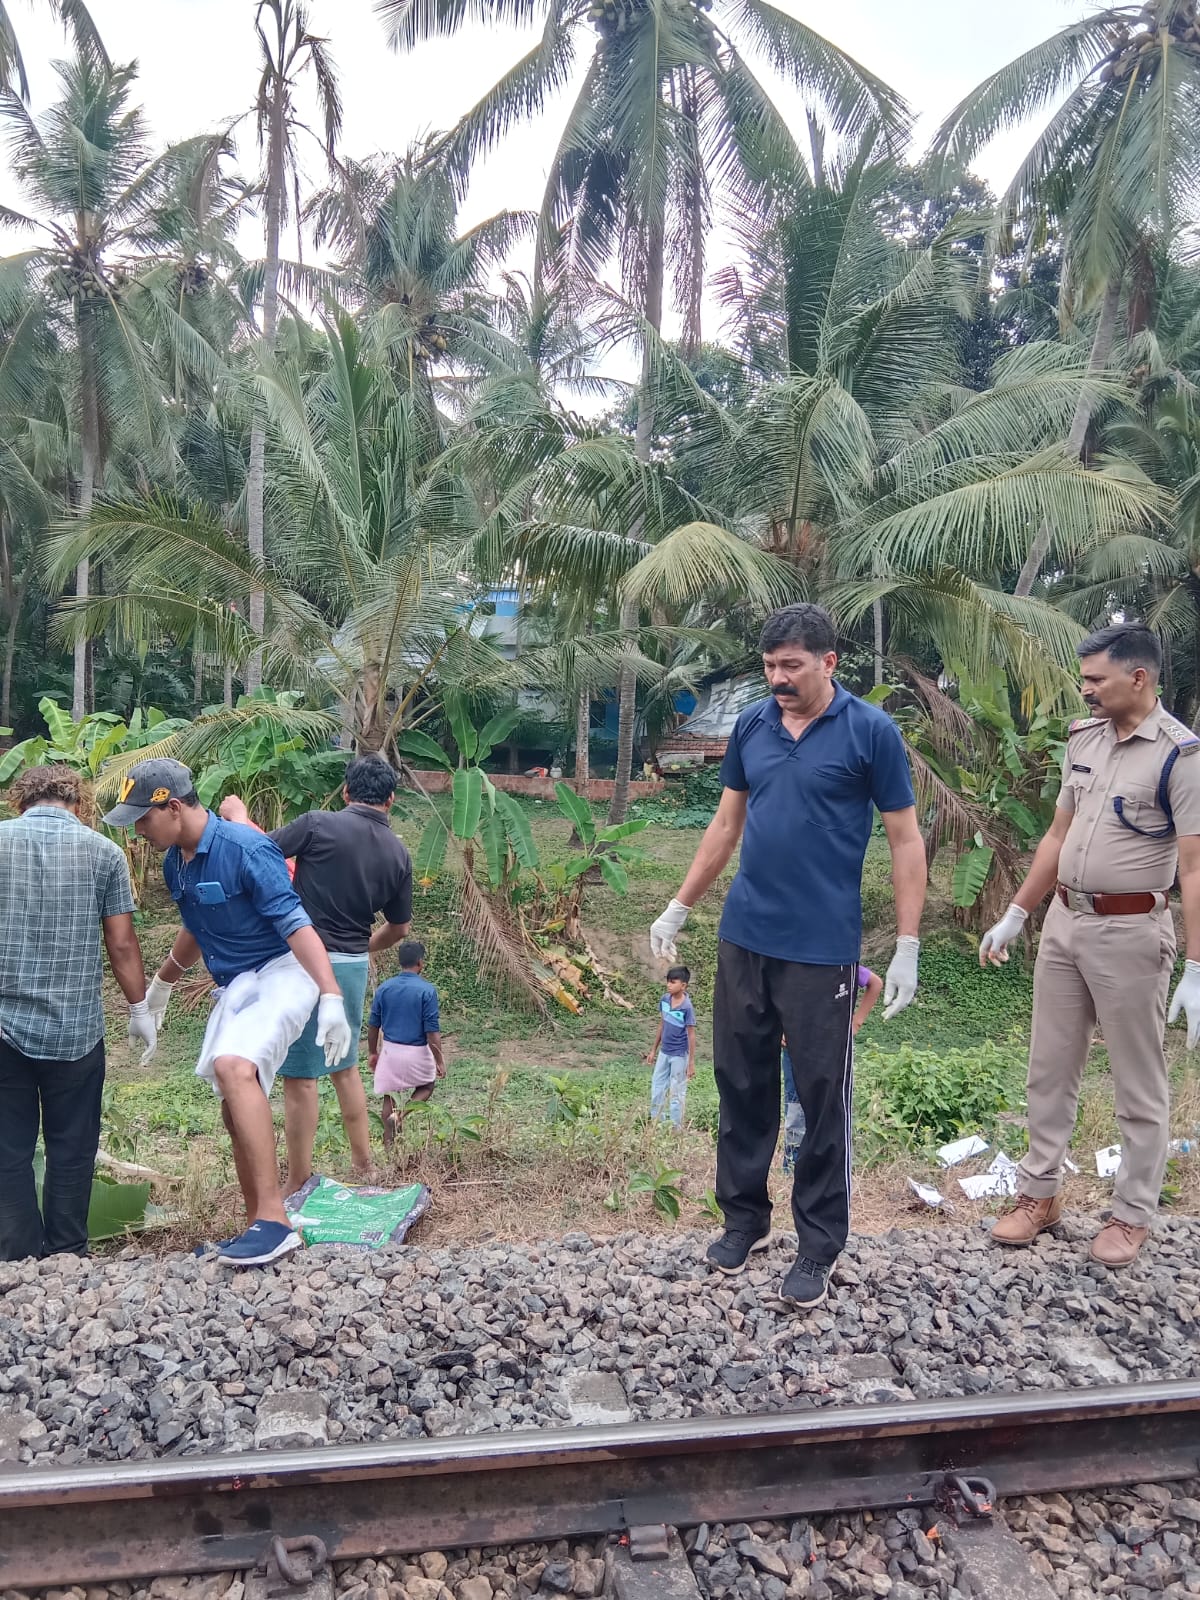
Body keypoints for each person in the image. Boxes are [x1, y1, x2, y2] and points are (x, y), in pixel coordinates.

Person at [649, 603, 925, 1309]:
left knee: (818, 1097)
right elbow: (726, 822)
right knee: (740, 1083)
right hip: (745, 936)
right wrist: (681, 903)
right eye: (770, 665)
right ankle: (745, 1221)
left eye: (791, 665)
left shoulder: (871, 732)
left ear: (829, 663)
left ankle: (818, 1244)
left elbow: (903, 839)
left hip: (822, 949)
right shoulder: (753, 725)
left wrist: (907, 944)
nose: (778, 678)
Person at [979, 622, 1200, 1268]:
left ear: (1139, 679)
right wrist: (1019, 912)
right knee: (1049, 1067)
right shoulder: (1086, 740)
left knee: (1138, 1082)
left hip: (1132, 931)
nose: (1086, 692)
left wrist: (1196, 964)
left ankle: (1132, 1213)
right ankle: (1039, 1194)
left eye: (1097, 680)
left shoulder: (1179, 757)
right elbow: (1056, 836)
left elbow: (1193, 868)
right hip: (1065, 924)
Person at [103, 757, 352, 1267]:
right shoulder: (178, 861)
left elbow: (296, 925)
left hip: (284, 971)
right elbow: (195, 928)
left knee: (234, 1067)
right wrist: (157, 993)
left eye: (143, 820)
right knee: (233, 1097)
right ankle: (258, 1221)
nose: (138, 832)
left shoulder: (247, 848)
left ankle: (275, 1222)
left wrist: (330, 995)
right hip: (238, 985)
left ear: (173, 808)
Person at [219, 755, 413, 1193]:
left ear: (346, 792)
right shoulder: (398, 852)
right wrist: (363, 945)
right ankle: (365, 1166)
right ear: (391, 800)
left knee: (301, 1075)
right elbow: (399, 928)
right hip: (353, 964)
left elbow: (258, 853)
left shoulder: (317, 824)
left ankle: (297, 1180)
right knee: (345, 1067)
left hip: (304, 964)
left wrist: (241, 817)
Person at [0, 765, 155, 1261]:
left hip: (4, 1028)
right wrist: (139, 1008)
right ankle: (68, 1254)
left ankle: (17, 1257)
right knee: (72, 1149)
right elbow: (122, 942)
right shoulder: (104, 852)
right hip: (76, 1032)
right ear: (80, 804)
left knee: (8, 1150)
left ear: (18, 801)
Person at [781, 964, 882, 1174]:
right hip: (795, 1047)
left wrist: (857, 1022)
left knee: (831, 1103)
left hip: (832, 1046)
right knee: (795, 1106)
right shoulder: (790, 963)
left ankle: (828, 1167)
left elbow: (875, 983)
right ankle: (792, 1167)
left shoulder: (842, 964)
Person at [367, 941, 444, 1145]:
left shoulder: (385, 988)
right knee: (427, 1086)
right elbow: (432, 1031)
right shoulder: (427, 990)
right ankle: (400, 1116)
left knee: (389, 1096)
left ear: (400, 962)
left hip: (390, 1052)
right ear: (420, 963)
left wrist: (372, 1052)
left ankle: (388, 1147)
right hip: (417, 1051)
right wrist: (439, 1060)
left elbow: (373, 1025)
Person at [644, 965, 697, 1128]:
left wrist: (691, 1062)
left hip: (679, 1055)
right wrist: (653, 1050)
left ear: (683, 985)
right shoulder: (665, 1000)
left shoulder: (687, 1007)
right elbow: (662, 1024)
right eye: (668, 982)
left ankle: (676, 1127)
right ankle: (656, 1121)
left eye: (673, 982)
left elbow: (691, 1034)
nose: (669, 985)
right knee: (657, 1085)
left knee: (677, 1092)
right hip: (664, 1052)